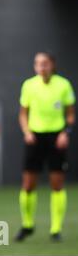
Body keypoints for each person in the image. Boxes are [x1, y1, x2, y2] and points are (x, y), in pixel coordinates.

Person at [16, 52, 75, 242]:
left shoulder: (63, 85)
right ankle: (27, 224)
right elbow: (23, 114)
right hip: (35, 137)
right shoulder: (29, 85)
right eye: (38, 63)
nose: (41, 67)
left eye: (45, 63)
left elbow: (71, 115)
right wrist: (27, 132)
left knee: (57, 184)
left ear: (52, 65)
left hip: (56, 137)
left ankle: (55, 229)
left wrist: (66, 133)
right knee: (28, 184)